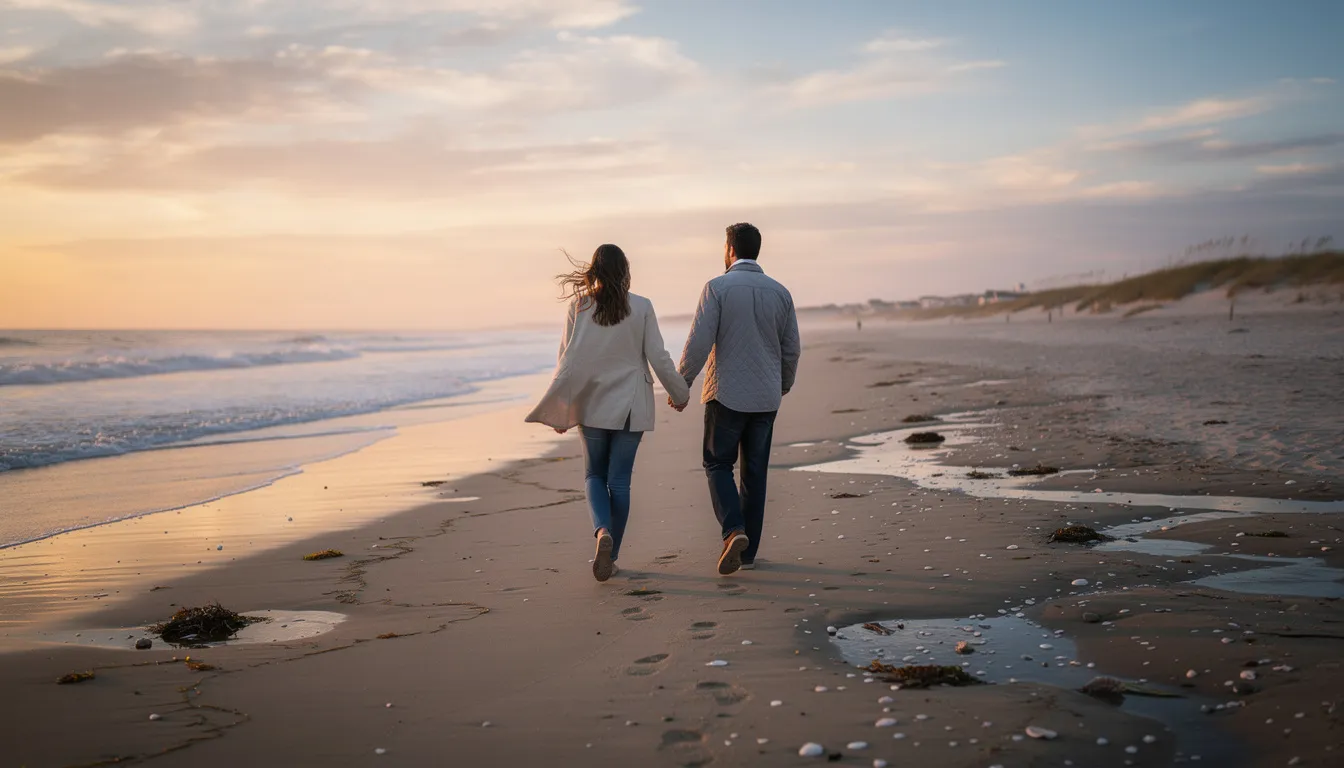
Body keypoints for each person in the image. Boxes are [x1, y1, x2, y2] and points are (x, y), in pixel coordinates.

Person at [526, 244, 690, 583]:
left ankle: (602, 531)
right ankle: (611, 557)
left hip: (591, 404)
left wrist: (560, 409)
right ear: (625, 271)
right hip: (630, 404)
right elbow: (658, 357)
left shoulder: (579, 306)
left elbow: (566, 361)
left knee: (594, 476)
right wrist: (680, 394)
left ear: (594, 271)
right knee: (619, 482)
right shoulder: (642, 306)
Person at [677, 223, 800, 575]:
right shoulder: (780, 292)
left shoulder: (716, 288)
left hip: (726, 394)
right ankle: (747, 555)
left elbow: (699, 342)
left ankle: (733, 530)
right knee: (755, 474)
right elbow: (791, 349)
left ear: (730, 249)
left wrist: (681, 383)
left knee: (717, 464)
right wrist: (782, 385)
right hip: (766, 398)